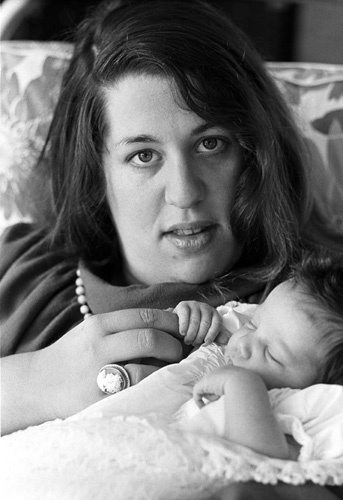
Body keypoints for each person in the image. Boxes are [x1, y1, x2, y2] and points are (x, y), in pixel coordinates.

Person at [1, 1, 342, 498]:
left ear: (253, 153)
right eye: (143, 155)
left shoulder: (316, 313)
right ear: (97, 172)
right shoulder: (20, 276)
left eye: (211, 144)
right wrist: (34, 382)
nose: (184, 193)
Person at [82, 250, 343, 462]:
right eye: (254, 324)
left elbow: (265, 464)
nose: (244, 342)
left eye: (272, 354)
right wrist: (191, 324)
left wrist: (242, 386)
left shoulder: (303, 407)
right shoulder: (236, 328)